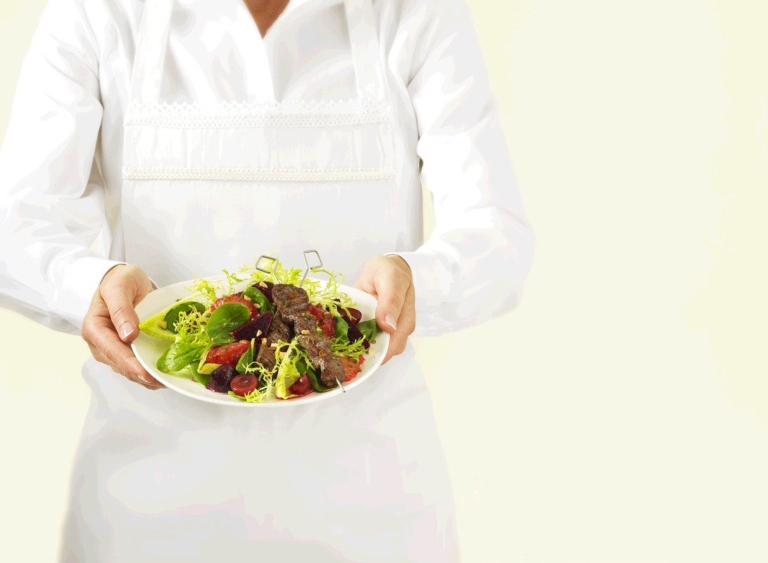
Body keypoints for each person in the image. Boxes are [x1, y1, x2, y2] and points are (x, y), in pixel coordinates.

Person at [0, 0, 534, 560]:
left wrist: (416, 279)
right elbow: (17, 227)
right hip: (146, 513)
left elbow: (497, 236)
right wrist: (92, 283)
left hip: (374, 513)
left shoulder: (416, 12)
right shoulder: (97, 11)